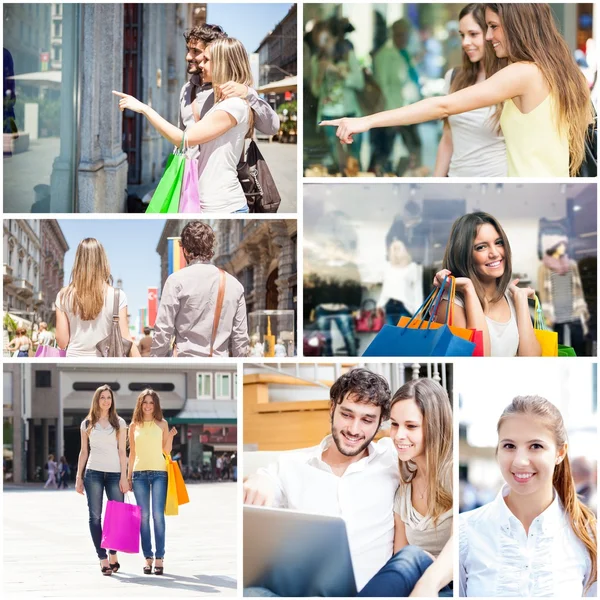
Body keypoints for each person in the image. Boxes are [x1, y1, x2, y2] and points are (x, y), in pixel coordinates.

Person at [322, 3, 593, 177]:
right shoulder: (563, 73)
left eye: (493, 27)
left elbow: (443, 106)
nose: (488, 37)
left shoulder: (523, 73)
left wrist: (366, 121)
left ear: (517, 25)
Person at [244, 369, 447, 597]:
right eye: (347, 415)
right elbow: (265, 480)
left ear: (381, 422)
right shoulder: (291, 465)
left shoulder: (393, 459)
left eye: (367, 420)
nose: (353, 429)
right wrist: (259, 478)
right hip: (301, 592)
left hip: (370, 592)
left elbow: (431, 452)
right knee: (252, 593)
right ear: (332, 409)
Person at [460, 396, 597, 597]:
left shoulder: (588, 535)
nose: (520, 461)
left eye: (535, 446)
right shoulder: (466, 532)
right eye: (509, 446)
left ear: (560, 452)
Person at [114, 37, 261, 213]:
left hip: (224, 207)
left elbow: (183, 139)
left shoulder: (233, 106)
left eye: (206, 60)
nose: (201, 65)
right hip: (209, 204)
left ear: (223, 65)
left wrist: (145, 109)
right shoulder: (224, 103)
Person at [358, 378, 453, 597]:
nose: (399, 435)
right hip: (417, 587)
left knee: (412, 555)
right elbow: (399, 563)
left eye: (410, 426)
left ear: (434, 426)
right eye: (394, 424)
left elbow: (459, 544)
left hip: (449, 586)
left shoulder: (451, 474)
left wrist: (428, 580)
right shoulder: (403, 492)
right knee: (408, 557)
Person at [433, 212, 541, 357]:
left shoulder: (509, 297)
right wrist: (468, 289)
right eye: (481, 247)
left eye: (498, 243)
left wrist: (521, 300)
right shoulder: (451, 304)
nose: (495, 253)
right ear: (463, 254)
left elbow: (532, 360)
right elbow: (478, 360)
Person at [179, 24, 279, 161]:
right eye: (188, 50)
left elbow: (272, 128)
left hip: (218, 177)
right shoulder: (186, 89)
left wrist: (248, 93)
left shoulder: (235, 91)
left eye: (195, 51)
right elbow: (181, 135)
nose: (188, 57)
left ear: (215, 52)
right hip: (189, 176)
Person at [151, 221, 249, 357]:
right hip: (221, 368)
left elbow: (163, 330)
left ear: (184, 250)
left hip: (186, 366)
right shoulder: (235, 285)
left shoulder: (176, 281)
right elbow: (240, 338)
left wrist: (156, 361)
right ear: (210, 249)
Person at [434, 4, 507, 177]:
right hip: (456, 183)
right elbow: (447, 139)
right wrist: (435, 184)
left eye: (473, 34)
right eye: (462, 35)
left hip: (496, 186)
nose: (465, 42)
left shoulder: (507, 79)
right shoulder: (453, 77)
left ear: (490, 34)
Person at [75, 385, 128, 576]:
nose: (106, 401)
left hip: (115, 473)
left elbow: (123, 451)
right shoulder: (87, 423)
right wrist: (78, 477)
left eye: (109, 397)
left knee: (117, 516)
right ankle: (103, 557)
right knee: (95, 516)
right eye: (102, 397)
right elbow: (83, 452)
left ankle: (113, 551)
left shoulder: (120, 423)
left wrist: (124, 476)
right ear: (96, 400)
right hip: (93, 473)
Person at [55, 238, 140, 357]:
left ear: (78, 261)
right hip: (105, 367)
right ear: (103, 261)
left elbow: (62, 341)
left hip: (73, 365)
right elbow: (125, 337)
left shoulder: (63, 295)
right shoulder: (117, 296)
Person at [128, 389, 177, 575]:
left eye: (151, 402)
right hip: (139, 474)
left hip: (159, 473)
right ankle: (147, 557)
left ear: (156, 405)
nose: (148, 406)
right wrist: (127, 475)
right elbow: (131, 454)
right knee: (144, 518)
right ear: (140, 404)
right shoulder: (134, 426)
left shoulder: (162, 424)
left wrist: (170, 436)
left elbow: (166, 451)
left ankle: (159, 557)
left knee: (158, 516)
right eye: (145, 402)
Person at [310, 17, 365, 175]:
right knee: (337, 156)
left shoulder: (348, 56)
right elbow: (315, 91)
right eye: (320, 41)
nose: (324, 45)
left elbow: (359, 82)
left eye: (327, 40)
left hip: (350, 111)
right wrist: (320, 74)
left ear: (334, 38)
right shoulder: (316, 61)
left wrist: (339, 73)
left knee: (354, 156)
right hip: (329, 113)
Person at [371, 18, 423, 176]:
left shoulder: (405, 54)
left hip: (408, 109)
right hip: (392, 110)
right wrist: (392, 115)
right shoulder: (384, 55)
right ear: (393, 34)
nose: (404, 38)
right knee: (384, 151)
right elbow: (382, 86)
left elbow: (410, 81)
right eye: (400, 34)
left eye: (406, 35)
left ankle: (414, 176)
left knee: (415, 147)